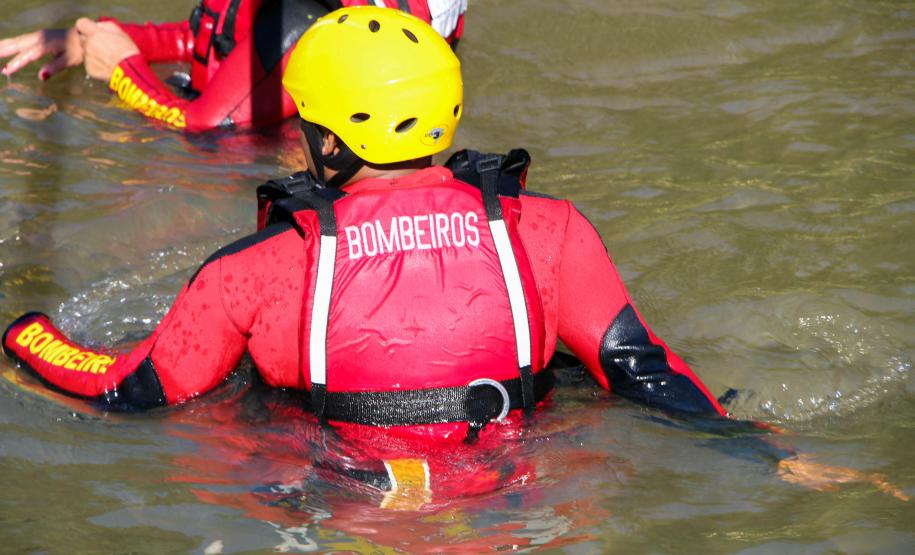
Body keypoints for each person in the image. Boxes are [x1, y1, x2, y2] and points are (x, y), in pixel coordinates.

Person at [2, 6, 726, 442]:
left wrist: (22, 332)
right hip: (522, 505)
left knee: (236, 417)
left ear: (327, 139)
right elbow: (642, 371)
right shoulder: (547, 230)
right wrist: (766, 450)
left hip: (334, 505)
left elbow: (134, 389)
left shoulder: (252, 268)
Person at [0, 0, 467, 132]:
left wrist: (124, 68)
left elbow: (204, 127)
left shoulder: (308, 19)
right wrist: (98, 39)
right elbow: (211, 38)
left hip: (239, 173)